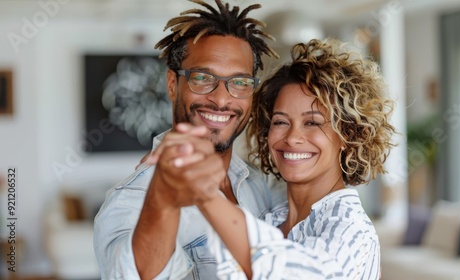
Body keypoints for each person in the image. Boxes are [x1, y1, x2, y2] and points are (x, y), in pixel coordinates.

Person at [170, 38, 397, 279]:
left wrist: (205, 195)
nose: (292, 137)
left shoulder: (352, 229)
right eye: (280, 122)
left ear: (348, 135)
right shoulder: (271, 219)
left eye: (312, 123)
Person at [93, 1, 286, 279]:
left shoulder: (261, 184)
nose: (221, 99)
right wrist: (163, 197)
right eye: (203, 78)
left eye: (240, 83)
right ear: (173, 85)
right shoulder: (131, 202)